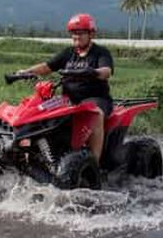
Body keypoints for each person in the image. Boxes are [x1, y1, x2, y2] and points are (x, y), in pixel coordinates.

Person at [16, 13, 113, 165]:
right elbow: (47, 67)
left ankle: (93, 163)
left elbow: (106, 71)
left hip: (95, 98)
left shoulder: (101, 52)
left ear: (91, 34)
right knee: (37, 110)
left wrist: (92, 72)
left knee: (96, 114)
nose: (76, 36)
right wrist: (26, 72)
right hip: (68, 100)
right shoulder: (68, 53)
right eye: (73, 33)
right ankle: (30, 152)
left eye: (81, 32)